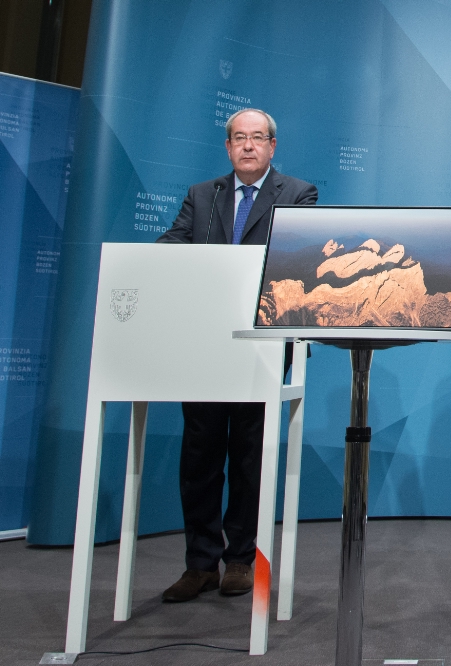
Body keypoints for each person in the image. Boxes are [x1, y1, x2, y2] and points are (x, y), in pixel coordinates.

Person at [157, 108, 317, 602]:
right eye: (239, 138)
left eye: (257, 138)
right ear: (228, 147)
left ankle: (242, 559)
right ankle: (200, 562)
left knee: (249, 453)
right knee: (199, 454)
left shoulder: (298, 194)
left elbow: (299, 257)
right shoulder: (202, 195)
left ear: (272, 146)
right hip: (205, 340)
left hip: (262, 340)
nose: (248, 146)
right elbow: (171, 244)